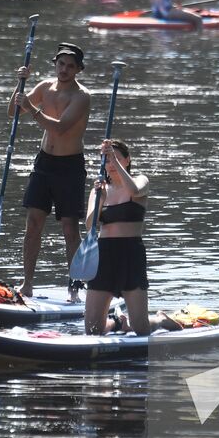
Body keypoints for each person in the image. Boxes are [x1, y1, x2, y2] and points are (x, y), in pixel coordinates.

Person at [12, 44, 92, 299]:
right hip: (44, 163)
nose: (65, 70)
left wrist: (32, 108)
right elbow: (12, 112)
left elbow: (60, 128)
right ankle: (27, 284)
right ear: (55, 64)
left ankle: (75, 287)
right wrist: (20, 84)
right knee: (33, 224)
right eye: (61, 64)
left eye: (70, 66)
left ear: (78, 69)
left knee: (70, 228)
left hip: (70, 166)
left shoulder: (82, 96)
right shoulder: (45, 87)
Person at [84, 139, 153, 336]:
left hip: (131, 253)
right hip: (104, 255)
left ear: (127, 160)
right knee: (92, 330)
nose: (110, 164)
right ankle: (117, 323)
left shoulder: (140, 181)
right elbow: (90, 225)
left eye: (115, 159)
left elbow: (134, 191)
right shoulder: (98, 190)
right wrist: (100, 200)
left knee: (141, 327)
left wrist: (114, 160)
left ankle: (159, 320)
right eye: (106, 160)